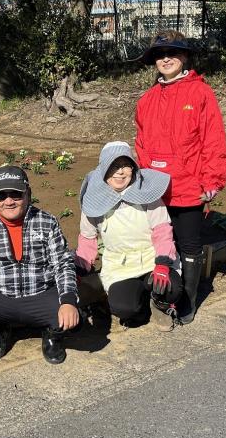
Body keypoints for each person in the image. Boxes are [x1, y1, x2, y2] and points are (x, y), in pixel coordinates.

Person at [134, 30, 226, 323]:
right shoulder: (147, 100)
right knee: (159, 241)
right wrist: (145, 179)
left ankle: (188, 298)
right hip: (155, 188)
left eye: (172, 53)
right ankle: (163, 294)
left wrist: (212, 181)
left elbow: (213, 140)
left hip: (188, 186)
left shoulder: (200, 93)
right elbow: (141, 144)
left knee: (188, 243)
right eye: (160, 55)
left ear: (185, 56)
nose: (166, 59)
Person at [0, 165, 80, 365]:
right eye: (1, 195)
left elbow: (63, 263)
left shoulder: (47, 222)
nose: (9, 201)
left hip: (40, 294)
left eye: (16, 194)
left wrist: (68, 301)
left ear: (28, 193)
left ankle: (51, 335)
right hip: (0, 296)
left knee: (73, 313)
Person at [76, 141, 183, 332]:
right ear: (103, 170)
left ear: (133, 168)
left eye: (125, 165)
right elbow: (87, 239)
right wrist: (79, 270)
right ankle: (142, 306)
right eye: (114, 166)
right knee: (124, 307)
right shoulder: (94, 201)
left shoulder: (147, 194)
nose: (120, 172)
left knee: (171, 289)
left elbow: (162, 230)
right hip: (121, 265)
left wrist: (163, 263)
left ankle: (160, 306)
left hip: (152, 259)